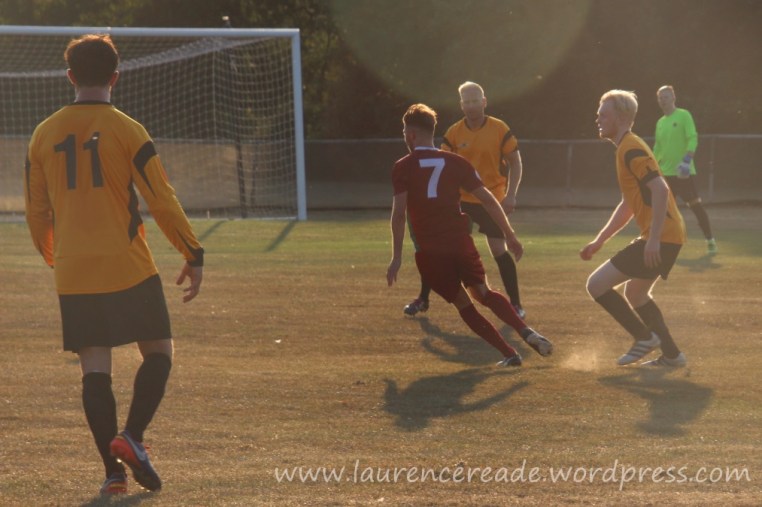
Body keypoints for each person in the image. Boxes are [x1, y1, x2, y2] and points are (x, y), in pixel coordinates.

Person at [24, 34, 204, 495]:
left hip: (74, 269)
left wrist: (56, 257)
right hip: (127, 264)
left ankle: (113, 474)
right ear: (116, 77)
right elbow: (161, 199)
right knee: (159, 352)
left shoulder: (43, 134)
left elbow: (36, 211)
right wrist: (192, 251)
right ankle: (133, 437)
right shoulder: (128, 129)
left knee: (95, 369)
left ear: (70, 77)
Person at [387, 103, 552, 366]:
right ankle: (526, 331)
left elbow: (398, 215)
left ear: (411, 134)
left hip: (431, 251)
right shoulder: (456, 162)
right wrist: (509, 235)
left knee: (465, 304)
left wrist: (396, 257)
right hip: (460, 242)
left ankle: (509, 354)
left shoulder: (403, 166)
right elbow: (488, 200)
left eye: (405, 132)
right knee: (484, 293)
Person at [580, 90, 687, 367]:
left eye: (604, 114)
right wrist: (599, 241)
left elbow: (661, 190)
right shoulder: (625, 148)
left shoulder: (630, 147)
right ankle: (672, 355)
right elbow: (628, 204)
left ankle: (644, 338)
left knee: (596, 284)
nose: (598, 119)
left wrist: (653, 240)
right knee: (636, 294)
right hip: (668, 236)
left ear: (621, 118)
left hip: (663, 237)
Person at [404, 82, 527, 318]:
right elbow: (441, 167)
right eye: (466, 102)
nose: (471, 106)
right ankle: (423, 299)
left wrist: (511, 194)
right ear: (461, 105)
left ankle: (516, 305)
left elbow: (515, 162)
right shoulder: (454, 133)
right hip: (462, 201)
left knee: (498, 250)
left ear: (484, 102)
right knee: (438, 248)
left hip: (492, 199)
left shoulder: (499, 128)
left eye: (475, 101)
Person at [653, 85, 717, 254]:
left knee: (696, 207)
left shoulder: (683, 115)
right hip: (665, 175)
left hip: (683, 174)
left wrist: (687, 160)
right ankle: (665, 243)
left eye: (666, 97)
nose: (663, 100)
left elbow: (692, 138)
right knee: (664, 211)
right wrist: (653, 166)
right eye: (660, 98)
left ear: (673, 98)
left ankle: (710, 240)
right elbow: (658, 148)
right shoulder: (660, 122)